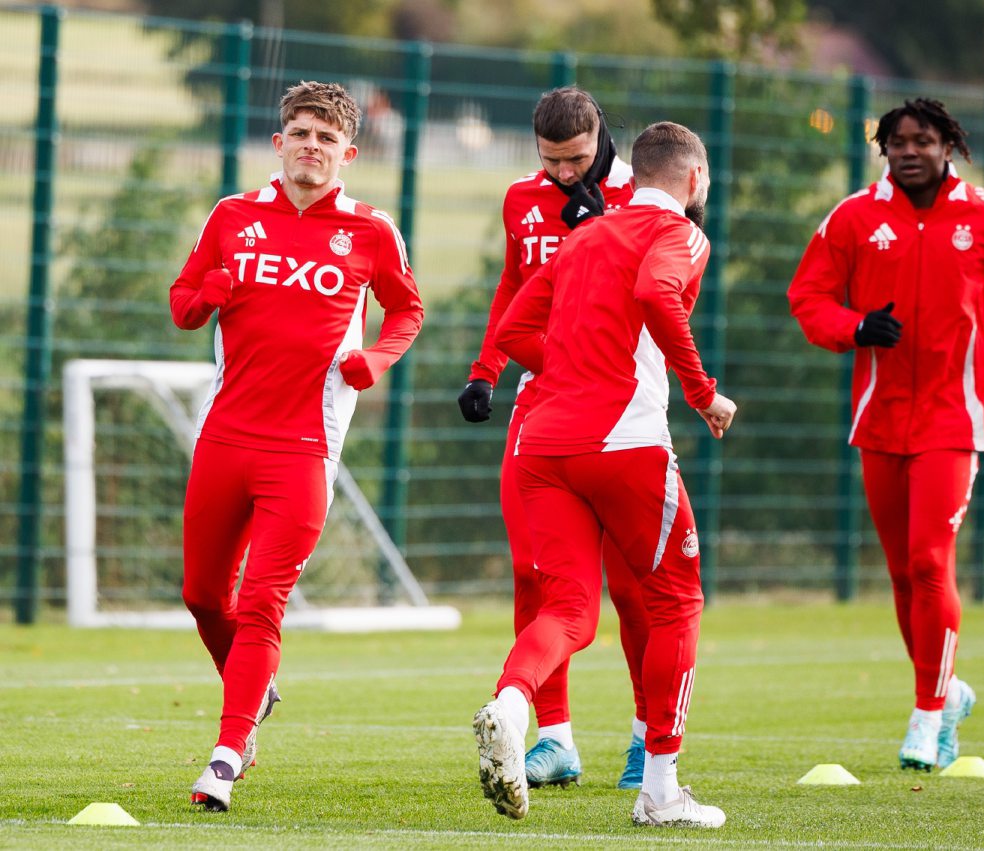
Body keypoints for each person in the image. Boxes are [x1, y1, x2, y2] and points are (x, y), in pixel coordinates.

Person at [471, 121, 736, 828]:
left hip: (543, 441)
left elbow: (512, 332)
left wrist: (570, 373)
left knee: (568, 609)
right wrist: (703, 391)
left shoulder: (586, 235)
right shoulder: (684, 234)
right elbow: (657, 293)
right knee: (677, 600)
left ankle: (513, 704)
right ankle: (660, 788)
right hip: (624, 441)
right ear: (695, 177)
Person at [170, 80, 424, 812]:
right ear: (278, 144)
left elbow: (407, 311)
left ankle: (226, 750)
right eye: (299, 133)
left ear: (348, 153)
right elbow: (184, 304)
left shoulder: (372, 230)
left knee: (262, 603)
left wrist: (372, 360)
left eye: (326, 138)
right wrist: (211, 292)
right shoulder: (232, 215)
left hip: (304, 449)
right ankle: (257, 691)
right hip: (225, 436)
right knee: (201, 595)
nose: (311, 147)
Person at [788, 98, 984, 772]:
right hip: (878, 417)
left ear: (949, 145)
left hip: (954, 416)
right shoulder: (852, 217)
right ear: (883, 150)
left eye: (923, 140)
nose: (909, 150)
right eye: (896, 141)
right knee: (904, 572)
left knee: (931, 560)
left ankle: (928, 715)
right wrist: (853, 326)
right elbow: (809, 298)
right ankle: (946, 687)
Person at [456, 86, 650, 790]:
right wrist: (486, 371)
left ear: (600, 136)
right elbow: (514, 285)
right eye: (550, 161)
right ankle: (556, 738)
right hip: (541, 408)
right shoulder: (520, 198)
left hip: (627, 413)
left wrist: (601, 229)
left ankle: (648, 741)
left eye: (574, 159)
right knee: (536, 576)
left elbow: (672, 285)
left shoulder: (644, 195)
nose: (564, 173)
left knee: (634, 589)